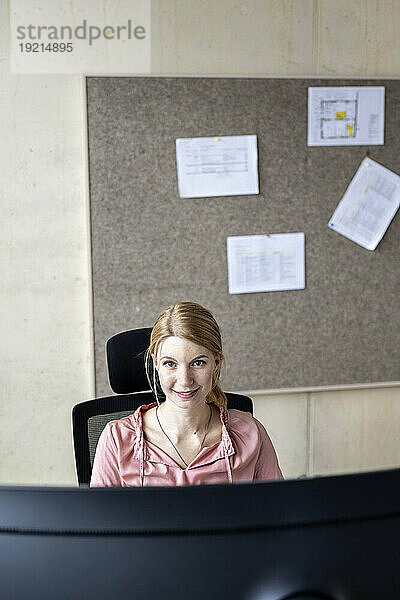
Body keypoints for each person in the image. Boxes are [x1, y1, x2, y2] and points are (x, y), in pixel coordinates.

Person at [90, 302, 283, 487]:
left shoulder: (251, 434)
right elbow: (99, 519)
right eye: (170, 364)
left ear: (216, 363)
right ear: (156, 363)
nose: (184, 380)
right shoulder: (116, 439)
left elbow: (278, 513)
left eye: (198, 363)